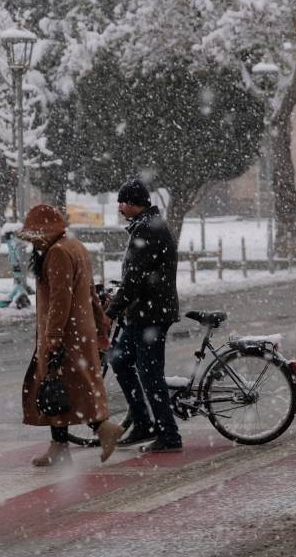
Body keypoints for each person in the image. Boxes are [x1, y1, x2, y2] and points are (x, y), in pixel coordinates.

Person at [18, 204, 122, 467]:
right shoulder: (75, 247)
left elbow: (59, 300)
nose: (33, 243)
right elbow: (89, 292)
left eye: (35, 236)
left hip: (65, 335)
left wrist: (52, 337)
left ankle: (100, 429)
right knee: (69, 390)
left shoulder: (58, 253)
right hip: (79, 330)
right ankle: (62, 445)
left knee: (58, 390)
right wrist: (100, 326)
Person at [106, 178, 183, 453]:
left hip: (150, 315)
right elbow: (135, 275)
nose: (119, 207)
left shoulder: (149, 230)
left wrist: (111, 311)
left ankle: (168, 435)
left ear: (132, 203)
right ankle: (142, 421)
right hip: (142, 313)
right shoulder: (145, 225)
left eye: (122, 201)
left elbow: (135, 278)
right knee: (119, 359)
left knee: (151, 375)